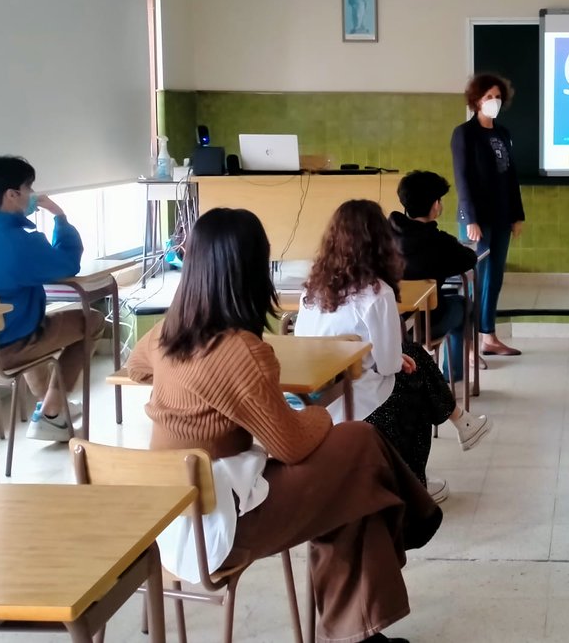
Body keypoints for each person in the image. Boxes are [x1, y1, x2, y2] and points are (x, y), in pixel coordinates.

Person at [126, 208, 440, 643]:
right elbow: (291, 445)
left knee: (354, 479)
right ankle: (415, 517)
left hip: (168, 517)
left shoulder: (165, 334)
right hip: (220, 526)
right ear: (252, 270)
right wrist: (315, 412)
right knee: (359, 443)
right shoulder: (241, 352)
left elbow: (135, 367)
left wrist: (179, 387)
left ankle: (368, 621)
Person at [295, 199, 491, 502]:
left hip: (316, 402)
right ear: (381, 242)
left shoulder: (312, 289)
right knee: (415, 384)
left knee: (411, 355)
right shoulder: (377, 293)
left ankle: (460, 424)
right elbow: (386, 366)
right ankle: (415, 484)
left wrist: (395, 358)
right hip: (360, 404)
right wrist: (397, 359)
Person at [0, 155, 101, 441]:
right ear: (12, 195)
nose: (32, 194)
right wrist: (60, 217)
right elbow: (67, 263)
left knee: (31, 324)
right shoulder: (21, 244)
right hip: (1, 350)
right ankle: (52, 412)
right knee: (93, 320)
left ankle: (50, 405)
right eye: (29, 188)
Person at [450, 73, 525, 357]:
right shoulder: (464, 134)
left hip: (502, 215)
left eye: (497, 97)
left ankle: (488, 336)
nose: (493, 101)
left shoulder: (503, 133)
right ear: (476, 101)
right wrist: (470, 219)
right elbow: (462, 177)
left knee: (494, 278)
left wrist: (517, 215)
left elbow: (511, 176)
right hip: (476, 219)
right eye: (488, 97)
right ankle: (468, 346)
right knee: (474, 280)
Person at [390, 170, 478, 382]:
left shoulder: (382, 235)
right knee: (465, 304)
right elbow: (469, 259)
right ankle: (452, 374)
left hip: (388, 322)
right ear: (436, 205)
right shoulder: (440, 242)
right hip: (427, 323)